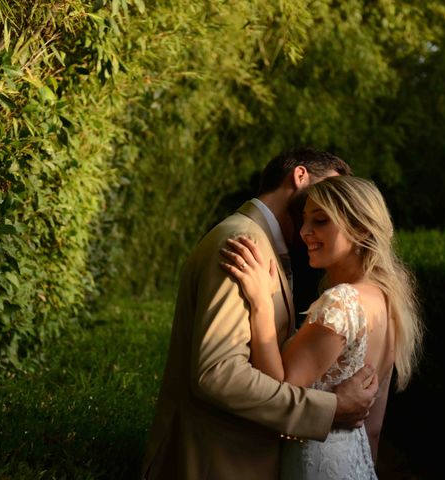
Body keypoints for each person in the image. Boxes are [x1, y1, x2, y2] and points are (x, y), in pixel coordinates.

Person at [141, 148, 379, 480]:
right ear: (300, 177)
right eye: (330, 191)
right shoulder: (242, 242)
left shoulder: (265, 243)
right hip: (219, 463)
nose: (336, 202)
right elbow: (219, 374)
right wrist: (328, 410)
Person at [220, 175, 423, 478]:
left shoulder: (342, 301)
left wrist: (260, 303)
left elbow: (281, 390)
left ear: (361, 228)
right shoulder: (387, 300)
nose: (304, 232)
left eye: (321, 221)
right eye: (303, 220)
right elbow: (374, 427)